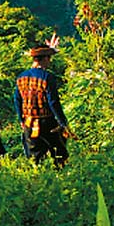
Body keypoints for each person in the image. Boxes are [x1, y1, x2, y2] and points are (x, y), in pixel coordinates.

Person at [15, 35, 73, 167]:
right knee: (59, 153)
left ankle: (37, 179)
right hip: (47, 122)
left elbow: (17, 100)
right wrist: (63, 122)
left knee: (35, 157)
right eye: (49, 58)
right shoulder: (48, 77)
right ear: (45, 58)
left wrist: (21, 120)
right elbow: (53, 102)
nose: (50, 61)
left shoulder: (21, 77)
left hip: (29, 122)